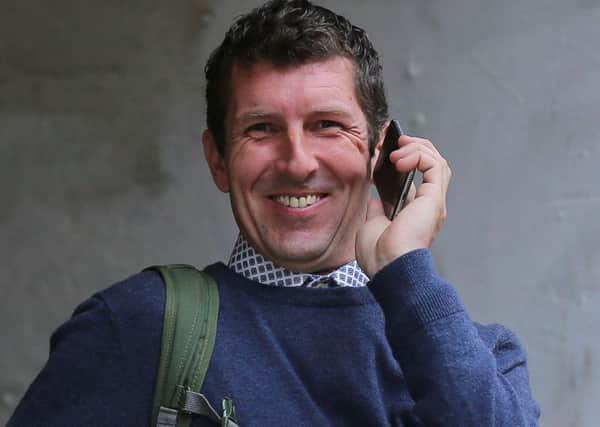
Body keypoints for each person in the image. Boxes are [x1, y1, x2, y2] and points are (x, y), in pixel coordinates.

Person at [8, 0, 540, 425]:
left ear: (379, 152)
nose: (297, 162)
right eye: (261, 128)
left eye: (328, 125)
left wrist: (405, 271)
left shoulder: (481, 358)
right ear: (218, 159)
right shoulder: (134, 329)